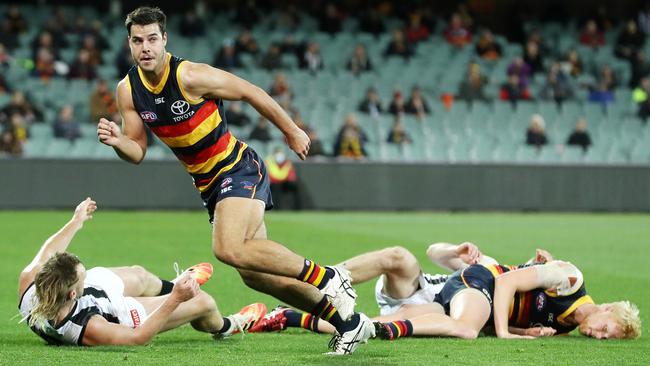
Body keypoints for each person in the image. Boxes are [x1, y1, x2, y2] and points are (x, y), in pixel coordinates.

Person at [96, 7, 372, 355]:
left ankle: (331, 278)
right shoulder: (128, 90)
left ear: (165, 39)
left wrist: (291, 130)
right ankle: (349, 323)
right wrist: (119, 142)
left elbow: (250, 91)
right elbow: (137, 151)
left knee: (227, 249)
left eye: (153, 39)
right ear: (130, 44)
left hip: (237, 167)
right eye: (138, 41)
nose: (146, 47)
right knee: (255, 274)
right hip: (209, 186)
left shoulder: (190, 76)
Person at [17, 198, 267, 346]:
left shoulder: (30, 282)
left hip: (92, 292)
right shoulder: (89, 326)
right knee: (203, 302)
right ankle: (229, 326)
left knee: (140, 274)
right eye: (82, 274)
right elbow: (138, 338)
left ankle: (177, 283)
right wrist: (175, 299)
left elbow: (49, 249)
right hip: (112, 311)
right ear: (73, 294)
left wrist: (76, 221)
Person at [374, 260, 641, 340]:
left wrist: (522, 331)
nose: (598, 336)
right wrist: (504, 332)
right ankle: (394, 330)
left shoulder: (565, 328)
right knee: (466, 329)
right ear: (606, 308)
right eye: (605, 328)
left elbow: (494, 320)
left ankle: (346, 324)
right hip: (480, 281)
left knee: (407, 316)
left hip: (481, 304)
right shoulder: (570, 280)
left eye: (605, 338)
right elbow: (506, 282)